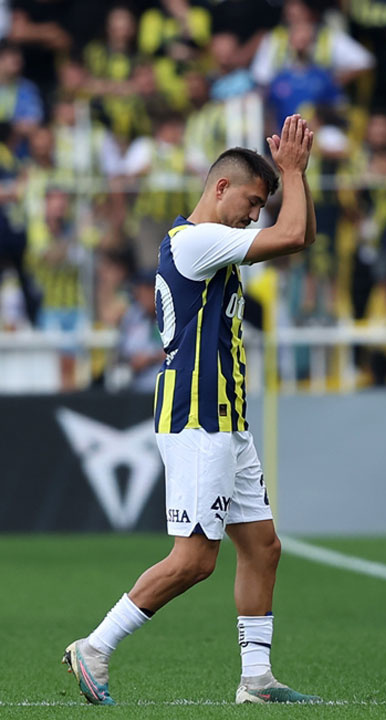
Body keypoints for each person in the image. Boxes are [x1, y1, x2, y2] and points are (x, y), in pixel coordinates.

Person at [61, 116, 320, 705]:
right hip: (198, 415)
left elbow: (299, 236)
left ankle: (256, 680)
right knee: (195, 559)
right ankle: (96, 645)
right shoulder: (196, 241)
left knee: (261, 546)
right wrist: (294, 173)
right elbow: (292, 236)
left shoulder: (214, 243)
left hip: (227, 416)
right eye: (253, 202)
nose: (255, 214)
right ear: (221, 188)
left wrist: (293, 180)